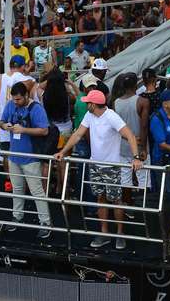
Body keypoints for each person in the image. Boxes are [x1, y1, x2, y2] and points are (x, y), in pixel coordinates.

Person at [55, 90, 141, 250]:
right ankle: (105, 233)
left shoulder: (111, 116)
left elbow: (129, 135)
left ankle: (120, 234)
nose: (86, 104)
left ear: (93, 104)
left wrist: (136, 157)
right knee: (101, 198)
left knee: (116, 200)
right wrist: (63, 151)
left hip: (112, 166)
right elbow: (78, 134)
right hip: (95, 165)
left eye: (88, 102)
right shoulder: (90, 115)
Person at [0, 82, 52, 238]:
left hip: (31, 157)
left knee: (37, 192)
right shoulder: (11, 104)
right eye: (14, 99)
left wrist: (23, 130)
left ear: (27, 95)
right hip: (14, 155)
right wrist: (5, 126)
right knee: (17, 189)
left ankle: (46, 222)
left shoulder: (37, 109)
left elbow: (44, 130)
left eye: (19, 99)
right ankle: (17, 217)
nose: (15, 102)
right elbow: (1, 122)